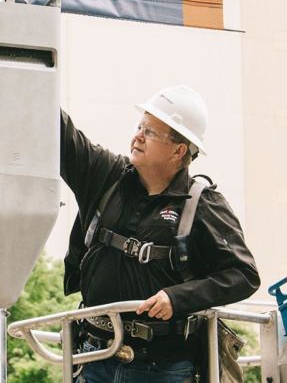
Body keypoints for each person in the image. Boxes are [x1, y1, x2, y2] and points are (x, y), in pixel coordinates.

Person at [61, 85, 260, 382]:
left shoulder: (202, 205)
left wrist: (176, 298)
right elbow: (62, 136)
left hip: (162, 369)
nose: (138, 136)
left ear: (179, 150)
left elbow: (243, 275)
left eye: (151, 132)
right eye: (140, 127)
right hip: (95, 357)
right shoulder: (107, 178)